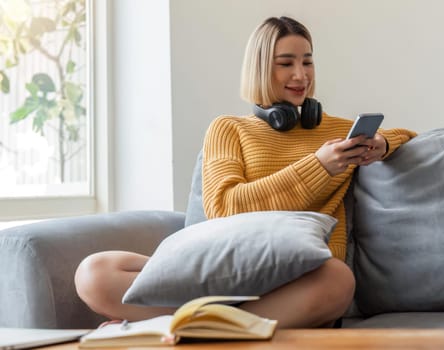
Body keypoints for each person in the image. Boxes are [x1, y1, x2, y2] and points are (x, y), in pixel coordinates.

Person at [74, 16, 416, 329]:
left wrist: (384, 143)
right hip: (225, 270)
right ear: (260, 68)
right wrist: (318, 166)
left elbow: (414, 138)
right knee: (95, 273)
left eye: (307, 61)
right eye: (286, 63)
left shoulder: (339, 133)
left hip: (296, 278)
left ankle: (197, 324)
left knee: (338, 280)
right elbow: (224, 208)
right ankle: (226, 325)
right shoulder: (228, 129)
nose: (301, 75)